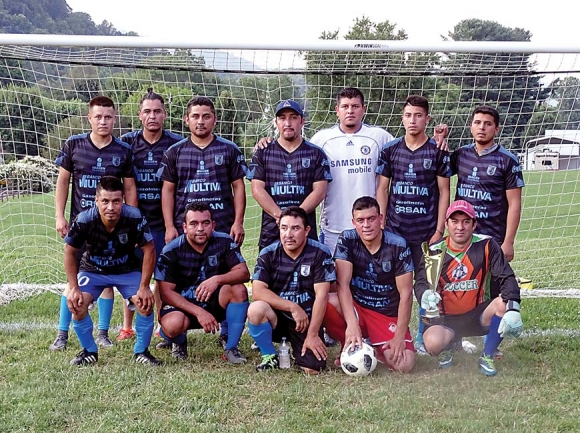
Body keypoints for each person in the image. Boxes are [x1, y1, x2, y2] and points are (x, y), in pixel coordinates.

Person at [158, 95, 248, 350]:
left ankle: (228, 335)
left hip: (221, 226)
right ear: (186, 120)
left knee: (231, 280)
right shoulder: (175, 152)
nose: (200, 121)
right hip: (184, 228)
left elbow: (238, 187)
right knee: (174, 280)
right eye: (195, 116)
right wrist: (169, 225)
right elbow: (168, 190)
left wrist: (238, 221)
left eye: (206, 116)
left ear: (214, 119)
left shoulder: (228, 149)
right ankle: (176, 337)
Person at [50, 95, 137, 351]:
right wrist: (59, 215)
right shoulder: (74, 145)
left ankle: (102, 333)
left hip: (111, 228)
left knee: (107, 278)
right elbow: (63, 181)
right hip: (81, 226)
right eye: (98, 117)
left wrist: (129, 222)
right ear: (89, 118)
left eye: (108, 117)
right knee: (74, 281)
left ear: (114, 119)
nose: (103, 121)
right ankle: (62, 333)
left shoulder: (123, 150)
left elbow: (130, 189)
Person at [375, 95, 452, 355]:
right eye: (408, 115)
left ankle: (422, 336)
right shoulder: (391, 150)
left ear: (426, 119)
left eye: (418, 115)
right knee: (395, 286)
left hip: (426, 234)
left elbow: (444, 192)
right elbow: (382, 188)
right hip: (395, 232)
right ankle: (394, 332)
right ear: (402, 118)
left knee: (428, 288)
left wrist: (439, 230)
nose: (412, 120)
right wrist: (382, 223)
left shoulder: (437, 151)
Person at [450, 105, 525, 357]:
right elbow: (437, 171)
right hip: (462, 239)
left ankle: (491, 347)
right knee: (459, 288)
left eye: (488, 123)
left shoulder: (507, 160)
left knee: (497, 291)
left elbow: (514, 203)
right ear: (471, 126)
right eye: (478, 122)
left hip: (492, 239)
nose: (482, 127)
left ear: (497, 128)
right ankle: (454, 340)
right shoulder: (460, 155)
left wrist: (509, 241)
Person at [420, 200, 523, 376]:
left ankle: (487, 356)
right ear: (446, 224)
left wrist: (514, 305)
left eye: (466, 221)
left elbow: (506, 276)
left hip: (478, 315)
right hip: (446, 319)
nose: (460, 227)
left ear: (474, 224)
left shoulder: (487, 245)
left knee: (502, 304)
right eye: (455, 221)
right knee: (432, 344)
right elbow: (421, 281)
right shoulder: (434, 251)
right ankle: (448, 347)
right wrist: (424, 293)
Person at [65, 176, 159, 366]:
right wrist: (73, 287)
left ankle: (141, 351)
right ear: (96, 200)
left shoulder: (134, 217)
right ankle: (89, 351)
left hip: (126, 269)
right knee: (77, 304)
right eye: (105, 201)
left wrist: (144, 286)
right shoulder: (84, 219)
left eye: (116, 201)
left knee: (145, 303)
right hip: (93, 270)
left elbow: (149, 249)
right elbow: (69, 251)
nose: (111, 207)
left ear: (123, 200)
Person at [323, 196, 416, 373]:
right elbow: (342, 285)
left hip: (386, 314)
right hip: (358, 308)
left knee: (404, 365)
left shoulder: (398, 245)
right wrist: (351, 324)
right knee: (327, 301)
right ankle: (350, 345)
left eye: (371, 219)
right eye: (360, 220)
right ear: (354, 222)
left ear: (380, 219)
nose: (366, 225)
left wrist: (398, 336)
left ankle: (376, 349)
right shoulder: (347, 239)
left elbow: (406, 294)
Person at [119, 88, 183, 343]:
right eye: (147, 111)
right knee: (133, 276)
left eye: (157, 111)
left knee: (162, 278)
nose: (152, 116)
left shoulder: (176, 144)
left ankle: (162, 325)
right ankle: (127, 326)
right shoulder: (126, 143)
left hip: (166, 224)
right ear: (139, 115)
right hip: (135, 224)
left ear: (164, 115)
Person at [154, 202, 250, 363]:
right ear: (184, 227)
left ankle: (231, 348)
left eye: (205, 223)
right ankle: (178, 341)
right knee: (172, 326)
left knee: (238, 290)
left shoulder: (224, 241)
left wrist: (217, 279)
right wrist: (199, 312)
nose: (200, 228)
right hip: (182, 306)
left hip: (213, 301)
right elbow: (166, 293)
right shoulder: (171, 250)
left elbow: (244, 272)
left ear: (213, 225)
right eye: (194, 223)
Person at [247, 206, 336, 374]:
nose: (288, 234)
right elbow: (258, 291)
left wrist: (313, 334)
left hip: (306, 320)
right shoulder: (268, 253)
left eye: (295, 228)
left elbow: (322, 296)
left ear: (307, 230)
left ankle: (308, 345)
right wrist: (292, 307)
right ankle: (269, 355)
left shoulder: (319, 252)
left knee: (313, 369)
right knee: (256, 309)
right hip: (278, 317)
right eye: (284, 228)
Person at [248, 99, 332, 251]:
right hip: (271, 231)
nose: (287, 122)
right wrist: (281, 217)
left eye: (293, 117)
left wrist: (295, 220)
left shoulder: (316, 153)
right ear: (276, 122)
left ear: (302, 122)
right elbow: (257, 190)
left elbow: (319, 191)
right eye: (282, 118)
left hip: (305, 230)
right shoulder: (263, 151)